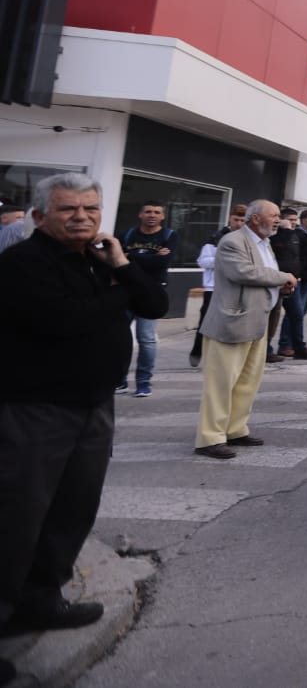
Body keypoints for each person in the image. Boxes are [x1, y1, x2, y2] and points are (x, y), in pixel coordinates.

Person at [0, 173, 166, 660]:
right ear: (38, 216)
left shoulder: (98, 260)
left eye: (91, 209)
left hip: (93, 408)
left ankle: (41, 601)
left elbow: (154, 302)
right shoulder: (20, 264)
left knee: (71, 513)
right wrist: (118, 287)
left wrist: (119, 265)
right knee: (15, 520)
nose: (82, 217)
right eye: (69, 209)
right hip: (35, 411)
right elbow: (67, 321)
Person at [194, 200, 297, 459]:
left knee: (247, 382)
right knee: (221, 383)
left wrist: (280, 286)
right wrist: (283, 277)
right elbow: (244, 272)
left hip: (257, 321)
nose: (278, 219)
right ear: (255, 219)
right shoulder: (233, 241)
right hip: (233, 322)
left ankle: (235, 429)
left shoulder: (265, 243)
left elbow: (264, 275)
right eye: (273, 215)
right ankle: (210, 438)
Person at [119, 200, 175, 396]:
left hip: (152, 292)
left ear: (162, 216)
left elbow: (162, 263)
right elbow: (115, 258)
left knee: (147, 339)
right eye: (148, 211)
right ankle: (119, 381)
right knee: (119, 337)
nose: (152, 215)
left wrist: (130, 256)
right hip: (125, 290)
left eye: (157, 212)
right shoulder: (127, 234)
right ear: (140, 214)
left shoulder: (169, 236)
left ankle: (143, 382)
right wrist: (152, 257)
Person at [191, 205, 248, 366]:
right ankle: (197, 351)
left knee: (230, 323)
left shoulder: (248, 239)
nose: (239, 223)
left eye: (243, 220)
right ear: (230, 217)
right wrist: (224, 260)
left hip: (237, 286)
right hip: (214, 286)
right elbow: (202, 261)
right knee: (206, 321)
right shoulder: (216, 237)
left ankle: (220, 357)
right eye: (236, 219)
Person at [270, 208, 307, 360]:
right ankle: (284, 345)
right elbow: (287, 256)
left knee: (298, 314)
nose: (293, 223)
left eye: (294, 220)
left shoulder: (302, 236)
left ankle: (297, 346)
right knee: (282, 315)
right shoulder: (285, 236)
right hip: (285, 281)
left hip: (301, 279)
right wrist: (285, 231)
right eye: (291, 220)